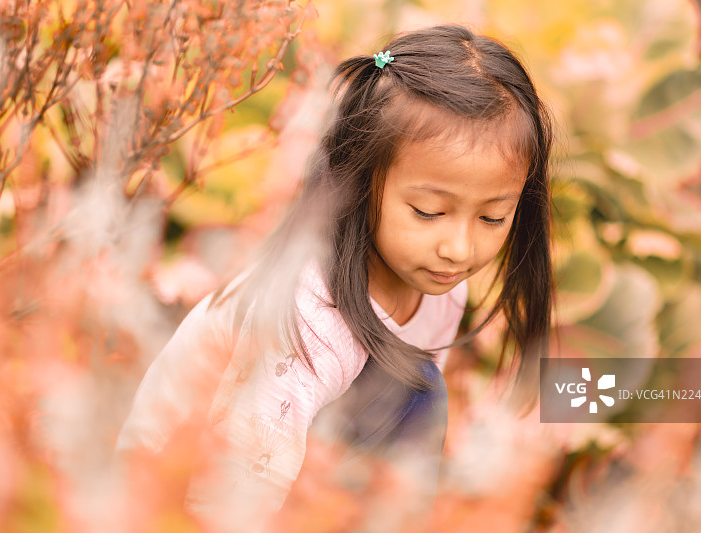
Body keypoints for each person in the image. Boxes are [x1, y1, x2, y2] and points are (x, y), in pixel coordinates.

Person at [115, 24, 553, 533]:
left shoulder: (439, 282)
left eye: (492, 217)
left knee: (418, 390)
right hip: (167, 494)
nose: (459, 248)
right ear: (362, 180)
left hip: (306, 466)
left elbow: (409, 433)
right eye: (428, 212)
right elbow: (232, 492)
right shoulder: (309, 322)